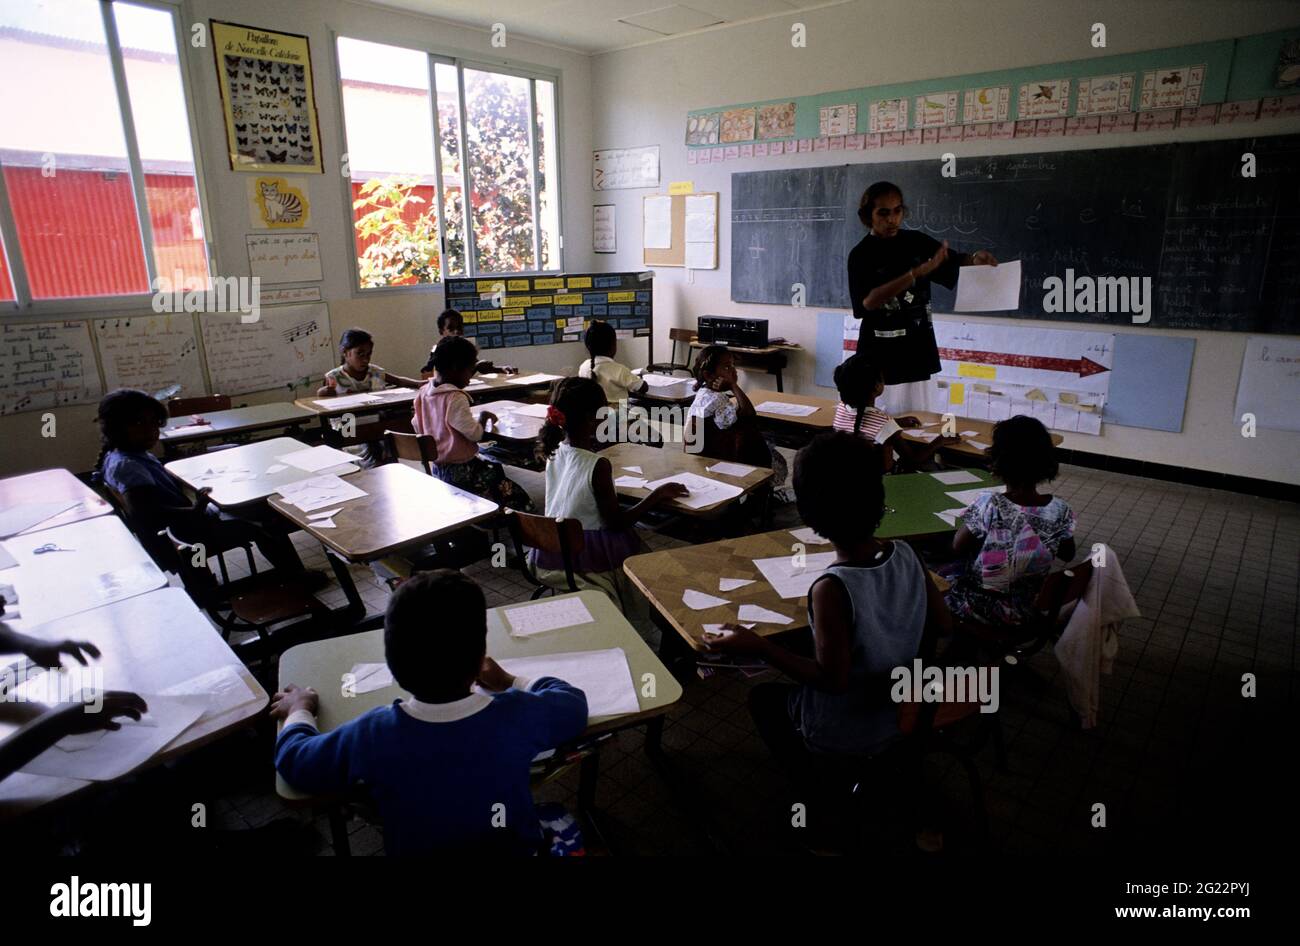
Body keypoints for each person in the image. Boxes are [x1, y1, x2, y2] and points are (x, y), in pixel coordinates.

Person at [271, 570, 588, 855]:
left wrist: (299, 709)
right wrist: (509, 681)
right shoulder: (517, 715)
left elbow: (295, 761)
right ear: (480, 659)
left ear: (393, 664)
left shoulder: (373, 733)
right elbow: (573, 703)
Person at [93, 389, 316, 584]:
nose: (152, 431)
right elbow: (145, 512)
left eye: (154, 423)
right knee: (265, 520)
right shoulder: (127, 465)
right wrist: (195, 509)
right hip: (189, 532)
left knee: (251, 509)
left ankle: (293, 573)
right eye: (140, 424)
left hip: (185, 526)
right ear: (117, 428)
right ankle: (296, 575)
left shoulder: (124, 456)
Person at [533, 377, 686, 616]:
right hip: (587, 556)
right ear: (592, 418)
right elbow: (616, 523)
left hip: (552, 550)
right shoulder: (598, 465)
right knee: (651, 565)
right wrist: (656, 495)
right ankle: (646, 624)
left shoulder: (554, 451)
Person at [847, 181, 997, 413]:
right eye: (883, 212)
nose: (892, 219)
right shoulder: (861, 254)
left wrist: (976, 258)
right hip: (881, 355)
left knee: (921, 421)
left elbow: (953, 260)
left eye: (898, 211)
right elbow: (867, 303)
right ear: (868, 216)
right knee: (881, 424)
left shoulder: (915, 242)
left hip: (918, 350)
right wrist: (915, 274)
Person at [941, 415, 1077, 628]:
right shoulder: (1060, 509)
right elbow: (1068, 554)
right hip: (1028, 606)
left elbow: (957, 546)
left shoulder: (990, 503)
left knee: (933, 568)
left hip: (980, 605)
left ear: (998, 461)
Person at [410, 335, 534, 511]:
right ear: (455, 369)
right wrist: (482, 418)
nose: (471, 376)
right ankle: (521, 520)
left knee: (495, 468)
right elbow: (476, 435)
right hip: (464, 473)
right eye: (470, 370)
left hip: (439, 470)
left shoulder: (423, 393)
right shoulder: (455, 397)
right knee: (515, 493)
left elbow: (416, 424)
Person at [832, 353, 960, 472]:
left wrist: (896, 422)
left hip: (850, 476)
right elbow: (913, 459)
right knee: (934, 467)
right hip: (882, 482)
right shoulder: (883, 423)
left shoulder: (841, 409)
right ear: (877, 386)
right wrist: (939, 441)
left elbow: (865, 423)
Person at [686, 345, 788, 487]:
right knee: (772, 455)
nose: (733, 371)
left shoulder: (704, 395)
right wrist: (734, 386)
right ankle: (761, 497)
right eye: (727, 367)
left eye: (733, 365)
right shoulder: (716, 399)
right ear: (708, 375)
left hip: (707, 457)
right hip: (727, 460)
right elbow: (749, 414)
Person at [420, 309, 509, 378]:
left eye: (459, 328)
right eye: (451, 329)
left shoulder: (464, 348)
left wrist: (501, 369)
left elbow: (479, 367)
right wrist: (476, 367)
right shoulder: (438, 350)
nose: (456, 331)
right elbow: (434, 376)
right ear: (441, 331)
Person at [578, 320, 647, 403]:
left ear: (588, 346)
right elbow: (642, 387)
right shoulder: (619, 370)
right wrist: (637, 378)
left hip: (593, 414)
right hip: (618, 414)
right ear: (613, 346)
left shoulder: (584, 367)